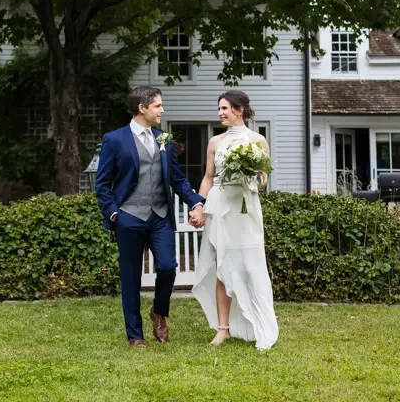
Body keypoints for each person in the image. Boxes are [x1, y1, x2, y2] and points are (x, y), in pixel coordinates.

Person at [94, 86, 206, 347]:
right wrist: (113, 215)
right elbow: (102, 185)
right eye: (157, 105)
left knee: (168, 266)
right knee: (131, 277)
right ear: (141, 108)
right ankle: (135, 335)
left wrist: (196, 202)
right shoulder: (115, 139)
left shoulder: (163, 139)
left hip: (160, 217)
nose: (162, 110)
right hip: (128, 218)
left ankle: (159, 311)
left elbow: (177, 180)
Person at [192, 90, 279, 350]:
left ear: (239, 110)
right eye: (219, 109)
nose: (220, 113)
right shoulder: (215, 142)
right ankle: (223, 329)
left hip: (245, 207)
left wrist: (250, 175)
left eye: (224, 108)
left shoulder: (257, 140)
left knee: (251, 264)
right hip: (220, 206)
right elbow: (208, 177)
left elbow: (264, 178)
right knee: (222, 264)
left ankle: (259, 323)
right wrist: (198, 205)